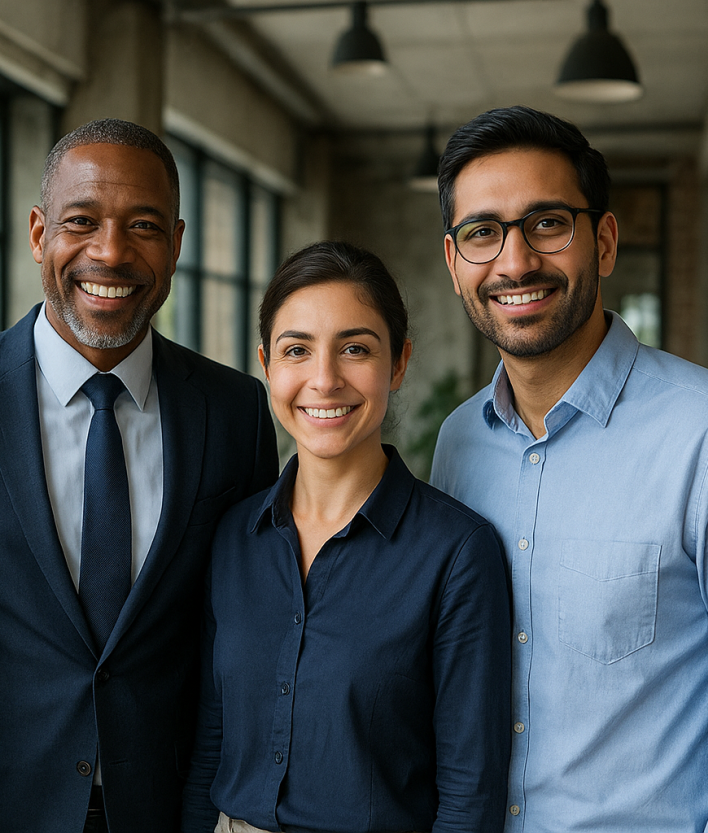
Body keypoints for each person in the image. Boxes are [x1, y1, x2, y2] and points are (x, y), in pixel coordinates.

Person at [430, 104, 708, 832]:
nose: (515, 261)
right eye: (482, 233)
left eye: (547, 223)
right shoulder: (460, 442)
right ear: (455, 264)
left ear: (605, 240)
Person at [0, 118, 279, 832]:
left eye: (144, 225)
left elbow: (244, 637)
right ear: (38, 233)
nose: (111, 252)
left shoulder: (236, 410)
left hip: (170, 808)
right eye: (81, 221)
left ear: (177, 243)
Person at [183, 241, 511, 833]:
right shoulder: (234, 536)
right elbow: (212, 742)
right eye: (297, 351)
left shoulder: (458, 553)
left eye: (355, 349)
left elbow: (469, 790)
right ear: (267, 364)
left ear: (400, 362)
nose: (324, 380)